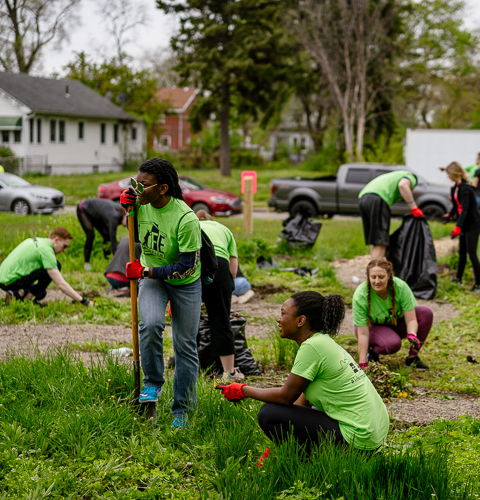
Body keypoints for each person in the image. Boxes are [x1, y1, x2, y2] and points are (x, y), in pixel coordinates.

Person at [215, 291, 389, 452]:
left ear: (300, 321)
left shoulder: (312, 348)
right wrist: (278, 446)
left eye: (283, 313)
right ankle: (291, 453)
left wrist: (243, 390)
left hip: (359, 437)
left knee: (268, 414)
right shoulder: (322, 342)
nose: (278, 319)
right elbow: (301, 404)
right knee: (285, 412)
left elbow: (285, 397)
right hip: (370, 433)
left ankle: (305, 458)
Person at [120, 157, 202, 430]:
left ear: (163, 188)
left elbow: (184, 266)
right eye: (134, 182)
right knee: (151, 324)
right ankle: (152, 382)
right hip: (154, 277)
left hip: (185, 283)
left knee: (184, 347)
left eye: (142, 185)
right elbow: (131, 228)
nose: (136, 189)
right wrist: (127, 209)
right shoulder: (141, 204)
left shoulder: (186, 219)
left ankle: (182, 411)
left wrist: (142, 272)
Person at [353, 258, 433, 371]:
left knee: (425, 312)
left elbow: (411, 320)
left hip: (394, 323)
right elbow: (363, 333)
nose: (377, 281)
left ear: (389, 275)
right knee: (392, 344)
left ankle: (412, 358)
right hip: (370, 328)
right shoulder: (361, 295)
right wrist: (362, 363)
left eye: (381, 277)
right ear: (368, 277)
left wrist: (412, 334)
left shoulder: (400, 287)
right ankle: (371, 353)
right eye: (373, 277)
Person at [196, 209, 245, 381]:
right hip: (219, 264)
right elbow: (233, 270)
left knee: (190, 318)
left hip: (193, 261)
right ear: (211, 219)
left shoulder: (191, 225)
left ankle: (190, 368)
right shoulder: (224, 229)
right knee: (221, 319)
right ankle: (229, 373)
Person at [0, 226, 93, 308]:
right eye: (64, 246)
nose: (65, 250)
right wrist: (84, 301)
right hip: (9, 281)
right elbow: (61, 284)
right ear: (56, 240)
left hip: (2, 279)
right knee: (56, 266)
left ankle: (17, 294)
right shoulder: (47, 251)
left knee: (42, 293)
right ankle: (26, 298)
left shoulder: (39, 241)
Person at [358, 170, 423, 260]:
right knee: (381, 241)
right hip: (378, 199)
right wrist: (414, 207)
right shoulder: (410, 177)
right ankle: (377, 270)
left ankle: (373, 269)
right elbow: (403, 185)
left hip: (363, 198)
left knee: (375, 239)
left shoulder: (395, 175)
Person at [443, 162, 480, 291]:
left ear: (454, 174)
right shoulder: (455, 188)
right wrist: (449, 215)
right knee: (462, 253)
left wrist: (458, 227)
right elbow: (456, 206)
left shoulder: (466, 188)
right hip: (464, 223)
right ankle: (458, 278)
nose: (448, 177)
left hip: (473, 224)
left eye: (449, 174)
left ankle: (478, 284)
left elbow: (465, 210)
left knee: (472, 253)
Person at [76, 198, 127, 271]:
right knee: (90, 235)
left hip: (97, 213)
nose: (129, 223)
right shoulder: (114, 217)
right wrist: (117, 260)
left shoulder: (121, 211)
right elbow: (113, 240)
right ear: (125, 216)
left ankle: (106, 259)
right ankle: (86, 263)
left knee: (106, 235)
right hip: (84, 208)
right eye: (128, 220)